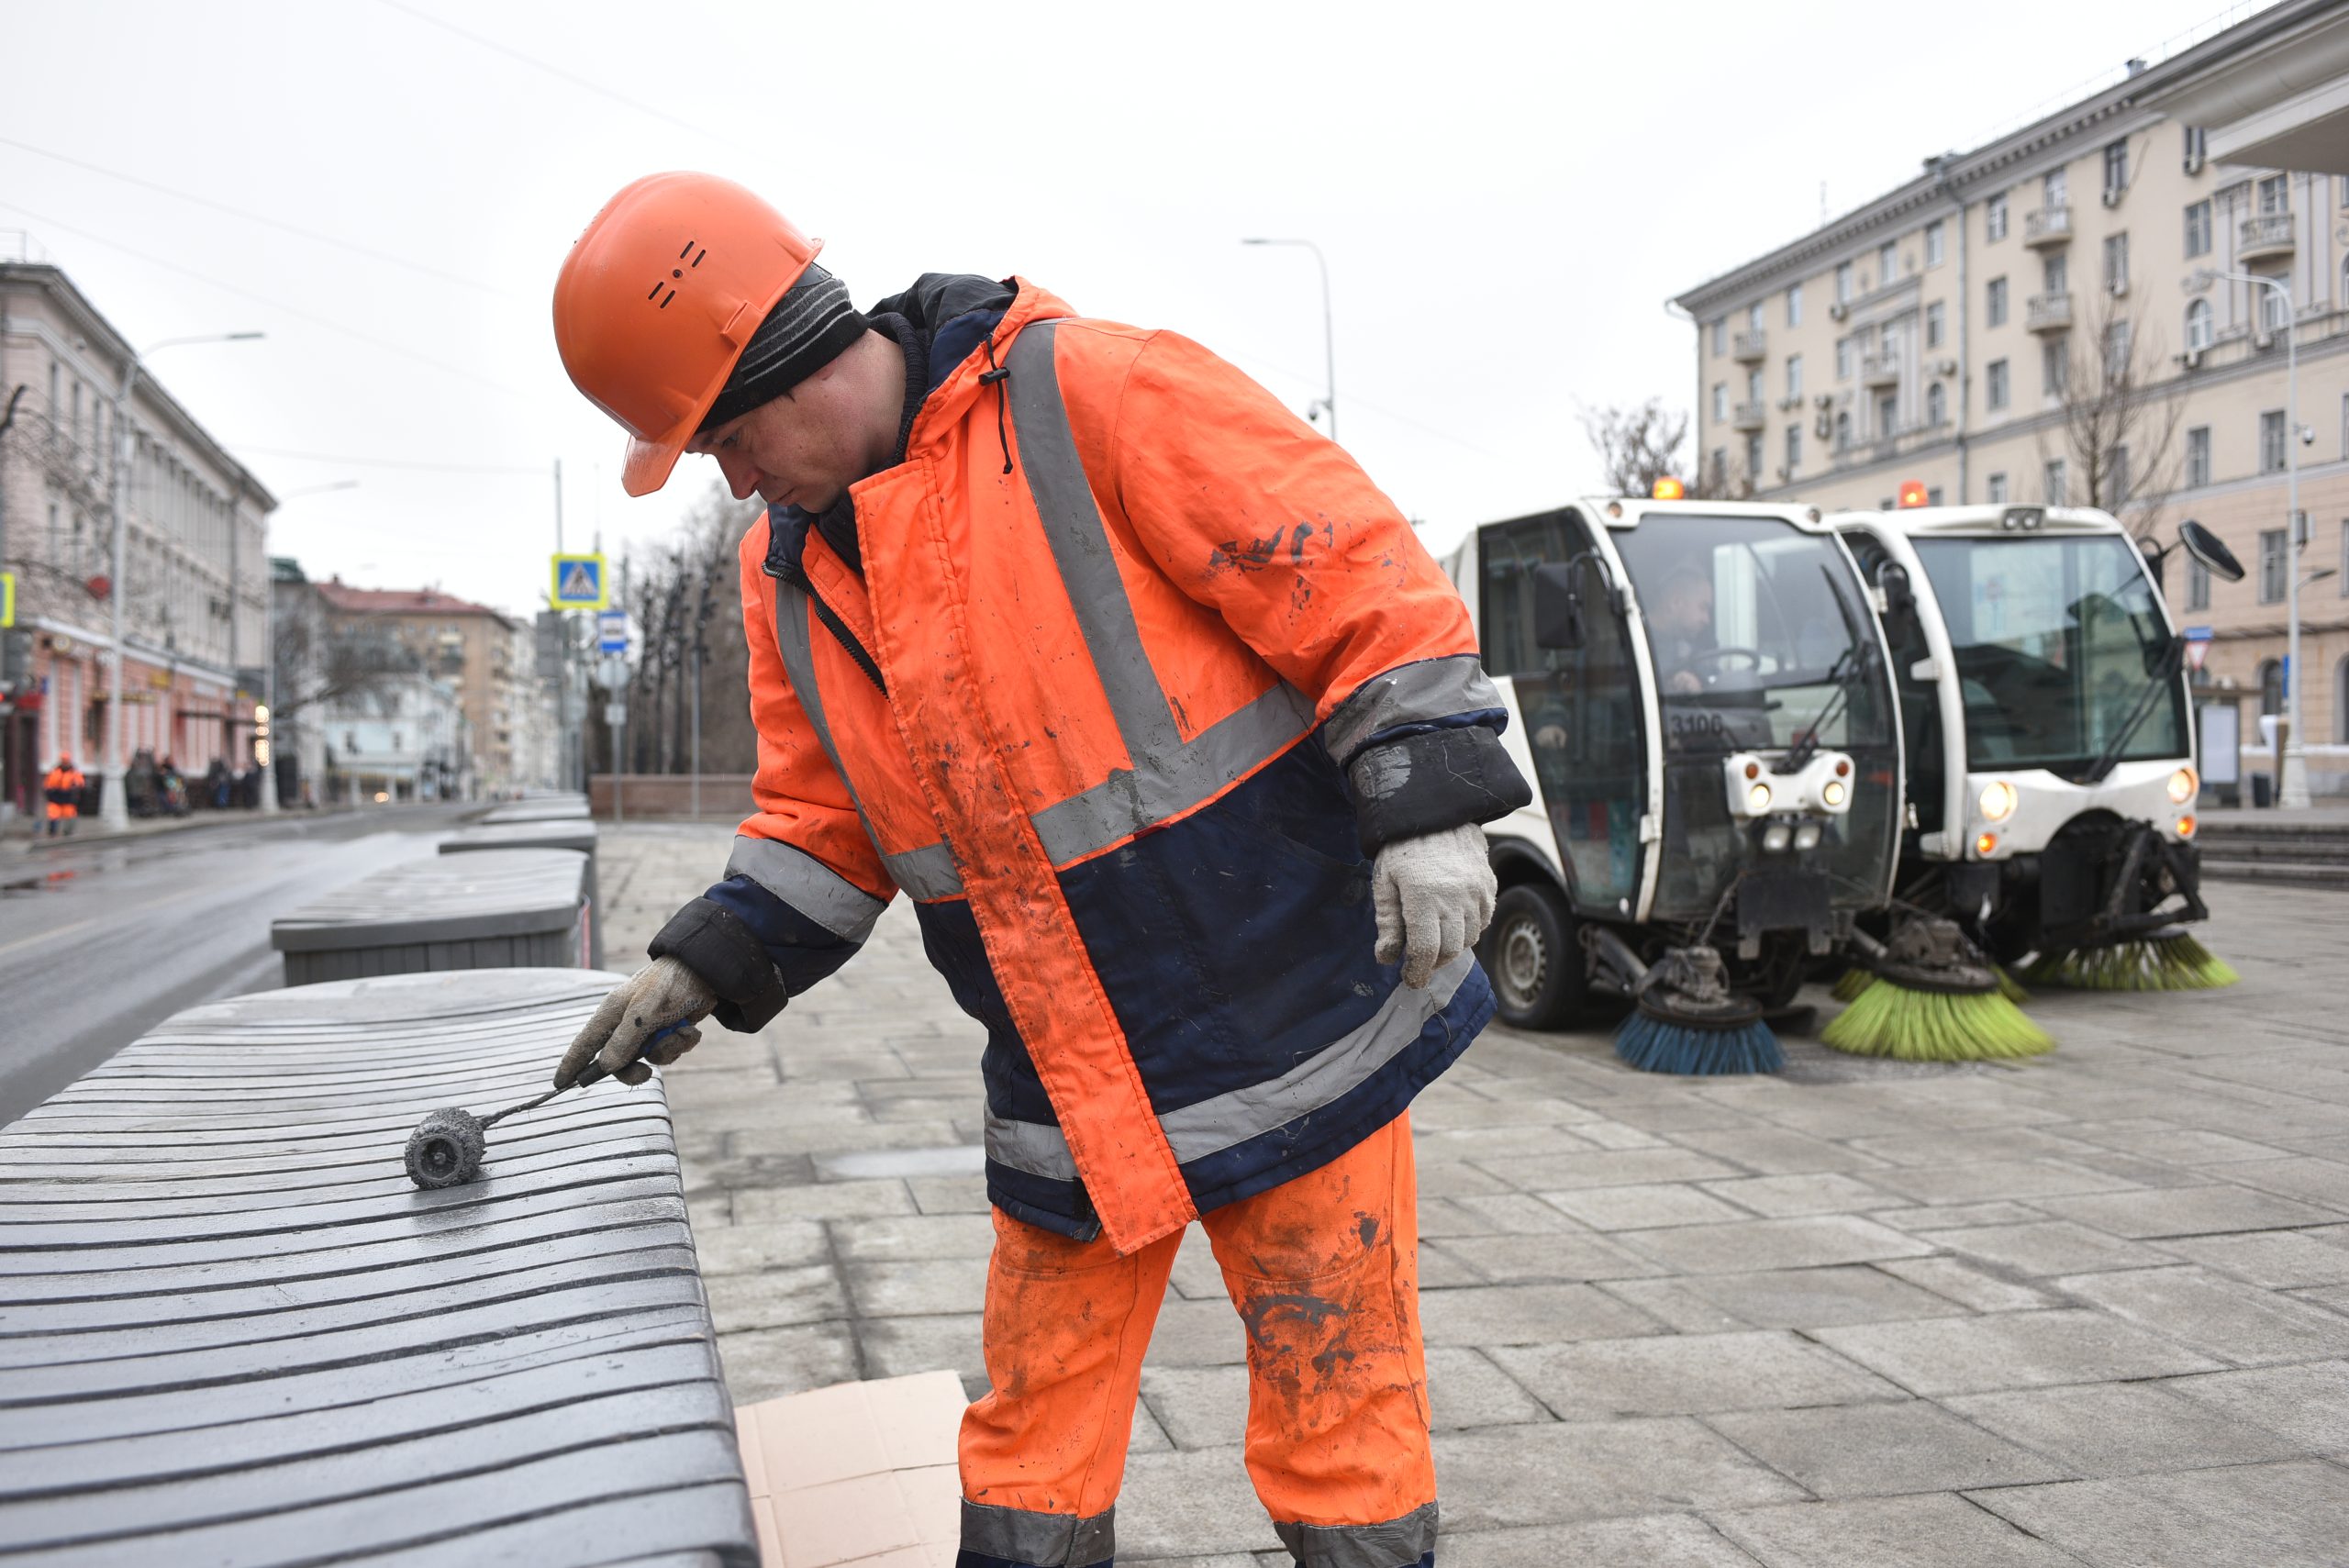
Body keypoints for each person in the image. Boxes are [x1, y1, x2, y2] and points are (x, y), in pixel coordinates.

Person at [551, 173, 1531, 1568]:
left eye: (728, 437)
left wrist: (1428, 790)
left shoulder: (1088, 396)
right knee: (1032, 1435)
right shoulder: (789, 580)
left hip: (1289, 1009)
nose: (738, 480)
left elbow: (1344, 566)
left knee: (1342, 1394)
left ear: (789, 353)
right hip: (1072, 1065)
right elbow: (825, 818)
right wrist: (702, 957)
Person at [1650, 566, 1716, 695]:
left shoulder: (1685, 643)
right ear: (1676, 603)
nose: (1706, 620)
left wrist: (1698, 686)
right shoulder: (1633, 642)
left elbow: (1712, 676)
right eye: (1703, 608)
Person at [41, 752, 83, 838]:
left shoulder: (74, 773)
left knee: (69, 814)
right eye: (63, 760)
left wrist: (74, 789)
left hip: (68, 797)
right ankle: (52, 832)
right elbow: (47, 784)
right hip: (55, 797)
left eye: (66, 760)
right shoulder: (54, 772)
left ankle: (68, 833)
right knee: (53, 814)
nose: (65, 762)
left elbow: (80, 784)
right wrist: (49, 792)